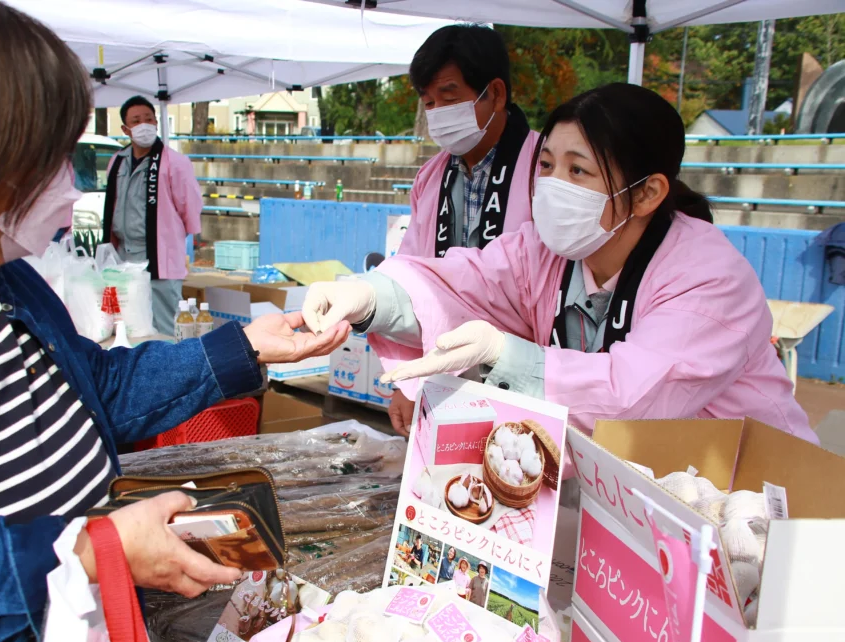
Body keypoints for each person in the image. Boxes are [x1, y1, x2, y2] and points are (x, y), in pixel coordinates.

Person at [0, 2, 349, 642]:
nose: (70, 188)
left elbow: (94, 388)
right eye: (52, 158)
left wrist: (244, 346)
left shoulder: (2, 278)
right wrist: (90, 549)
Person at [303, 83, 817, 444]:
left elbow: (634, 396)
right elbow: (461, 284)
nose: (552, 186)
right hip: (627, 497)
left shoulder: (709, 276)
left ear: (647, 193)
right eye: (546, 166)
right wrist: (370, 296)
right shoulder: (543, 251)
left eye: (580, 170)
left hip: (740, 498)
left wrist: (506, 356)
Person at [388, 24, 540, 437]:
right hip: (446, 371)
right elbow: (413, 278)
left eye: (449, 97)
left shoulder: (545, 166)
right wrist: (406, 380)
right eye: (429, 102)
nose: (437, 113)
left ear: (495, 93)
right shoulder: (432, 176)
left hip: (522, 368)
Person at [102, 95, 202, 336]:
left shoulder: (175, 162)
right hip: (124, 254)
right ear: (125, 129)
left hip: (159, 254)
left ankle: (174, 372)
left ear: (156, 123)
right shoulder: (118, 161)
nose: (143, 125)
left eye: (148, 119)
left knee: (165, 323)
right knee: (130, 323)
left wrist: (171, 238)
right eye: (136, 121)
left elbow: (190, 207)